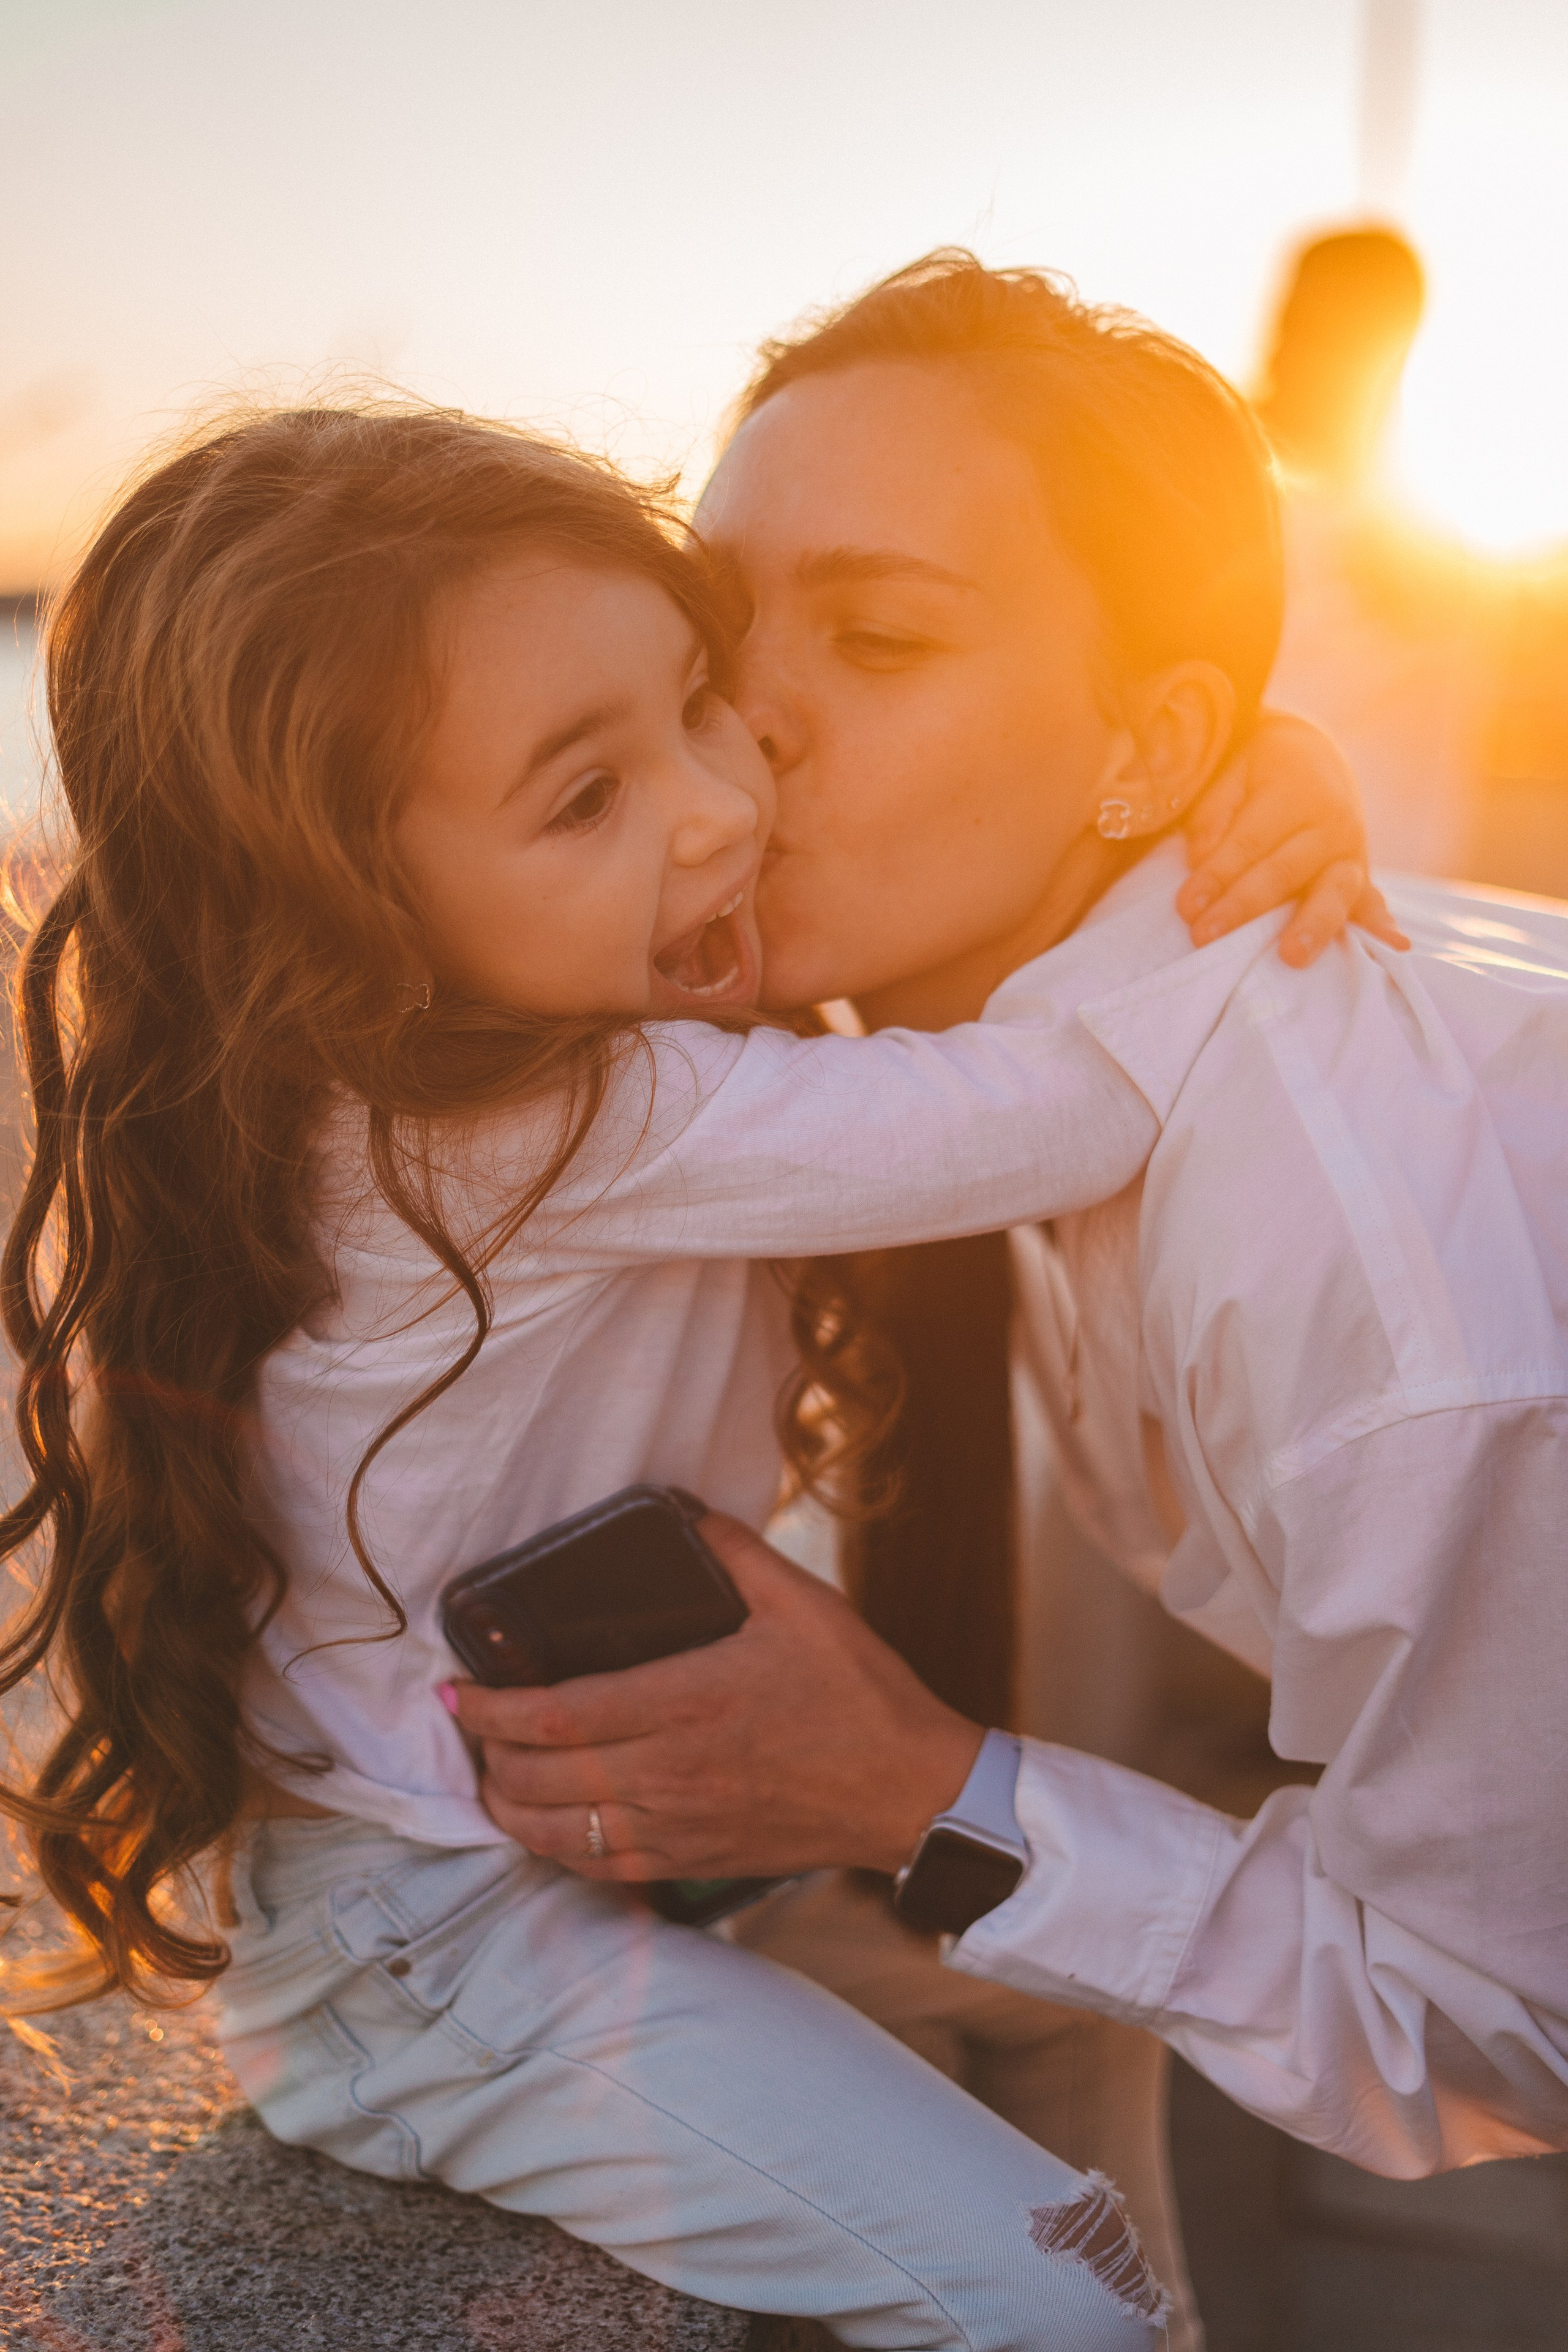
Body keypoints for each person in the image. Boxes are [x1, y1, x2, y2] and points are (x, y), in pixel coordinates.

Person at [0, 402, 1370, 2351]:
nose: (724, 806)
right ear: (346, 913)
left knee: (1078, 2011)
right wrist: (1220, 794)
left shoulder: (480, 1058)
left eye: (699, 705)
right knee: (1063, 2295)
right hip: (442, 1962)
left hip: (581, 1885)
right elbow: (1073, 1103)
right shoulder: (527, 1127)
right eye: (587, 798)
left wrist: (1191, 762)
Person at [453, 254, 1568, 2185]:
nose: (747, 727)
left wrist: (915, 1785)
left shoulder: (1371, 1294)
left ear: (1151, 748)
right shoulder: (983, 1067)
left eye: (880, 639)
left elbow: (1512, 2027)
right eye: (718, 633)